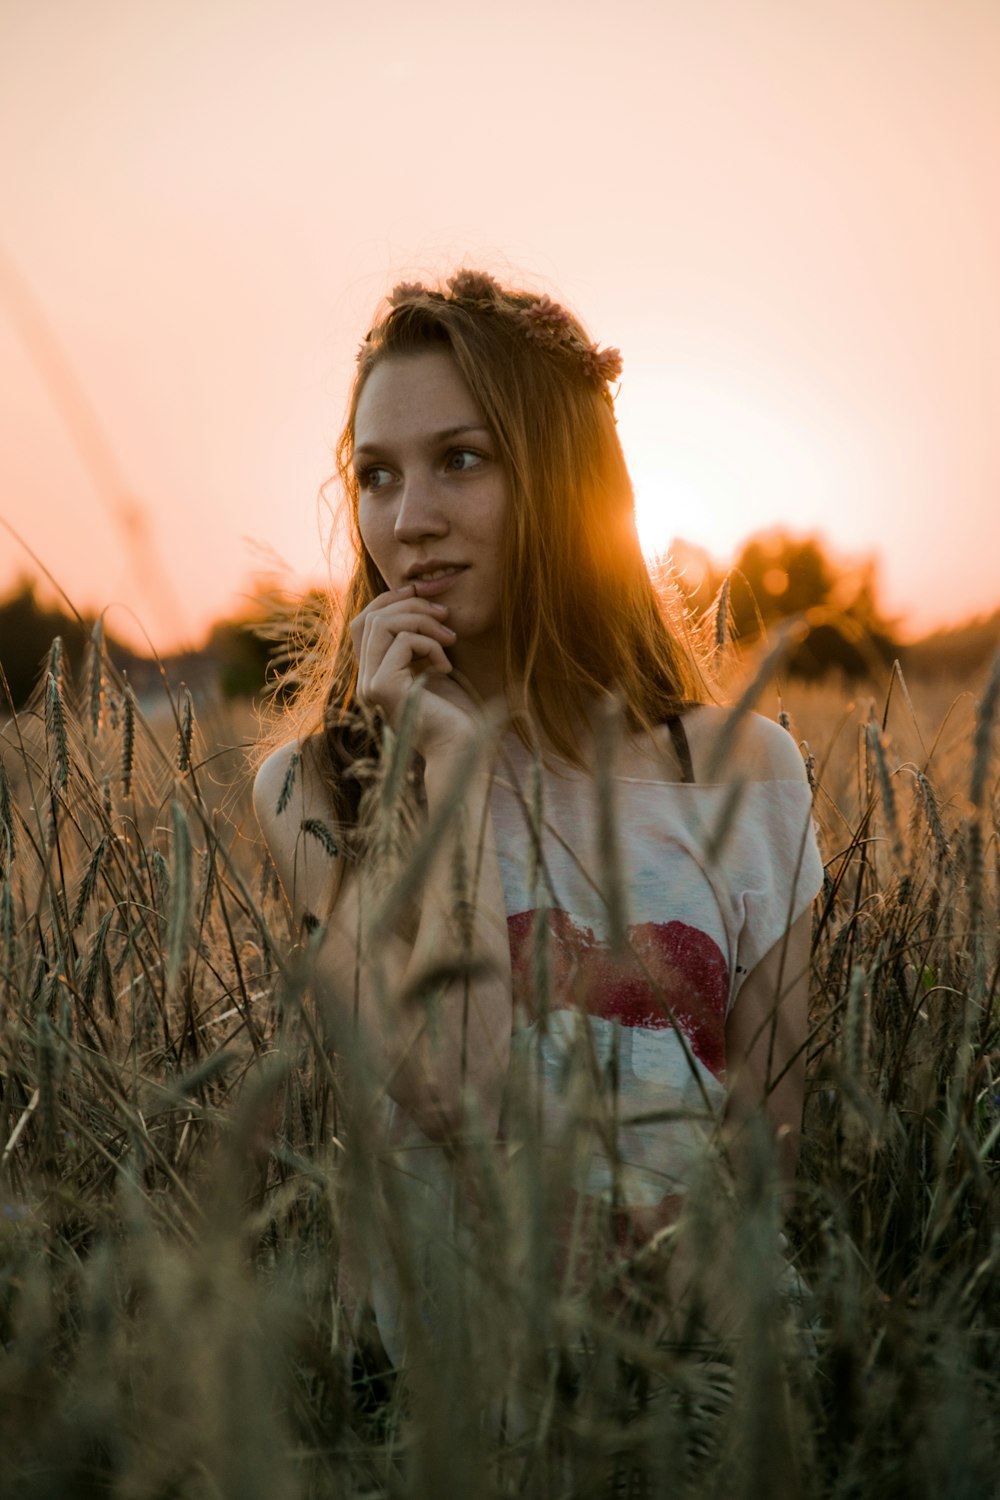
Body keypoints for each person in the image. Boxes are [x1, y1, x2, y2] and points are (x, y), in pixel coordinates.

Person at [253, 269, 823, 1372]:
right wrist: (450, 777)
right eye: (376, 476)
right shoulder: (315, 790)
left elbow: (767, 1147)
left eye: (461, 459)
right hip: (468, 1409)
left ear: (562, 482)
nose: (408, 521)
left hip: (710, 1373)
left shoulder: (748, 773)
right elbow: (444, 1092)